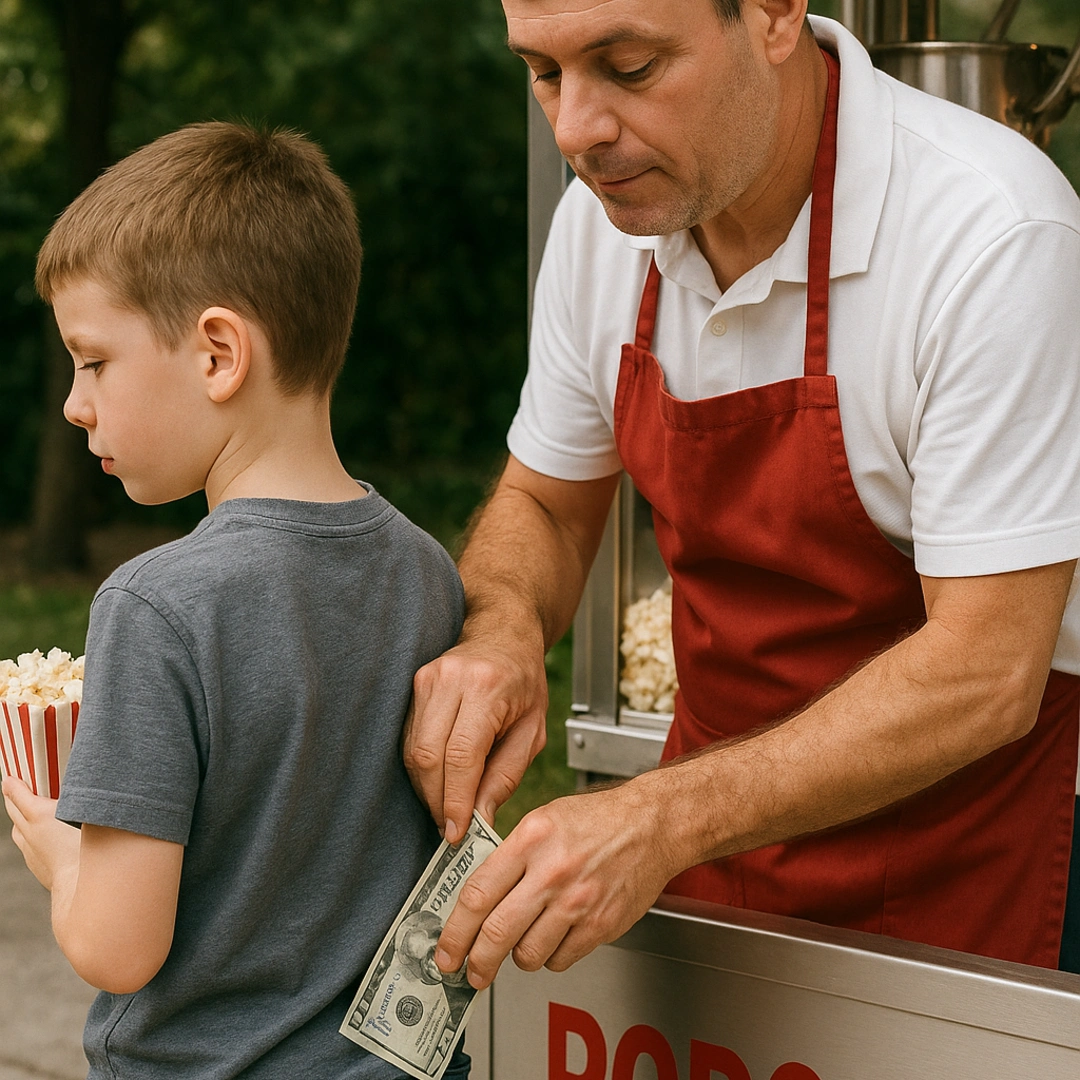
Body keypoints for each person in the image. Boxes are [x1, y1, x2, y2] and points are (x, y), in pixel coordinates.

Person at [403, 0, 1080, 990]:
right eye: (544, 74)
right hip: (711, 850)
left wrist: (663, 815)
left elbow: (985, 670)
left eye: (627, 66)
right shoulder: (603, 226)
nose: (574, 130)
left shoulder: (993, 235)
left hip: (967, 864)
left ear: (772, 13)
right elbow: (544, 503)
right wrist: (503, 630)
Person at [1, 122, 471, 1079]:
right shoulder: (428, 572)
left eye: (93, 361)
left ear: (218, 353)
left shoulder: (156, 605)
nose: (73, 404)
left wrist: (60, 852)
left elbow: (117, 946)